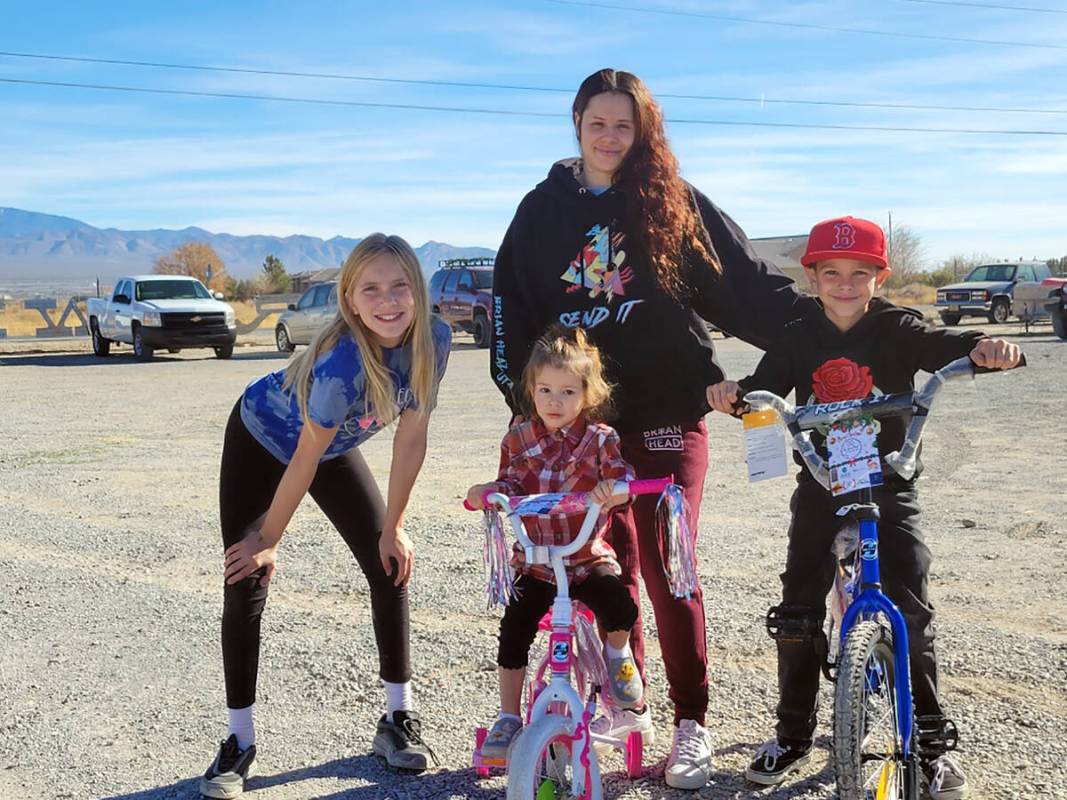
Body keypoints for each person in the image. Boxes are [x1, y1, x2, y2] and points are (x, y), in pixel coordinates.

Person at [490, 67, 813, 789]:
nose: (610, 136)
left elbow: (744, 286)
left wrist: (823, 329)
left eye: (623, 125)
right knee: (604, 568)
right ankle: (617, 708)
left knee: (669, 568)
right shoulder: (540, 212)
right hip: (585, 430)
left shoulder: (671, 202)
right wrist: (527, 413)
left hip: (668, 417)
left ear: (642, 133)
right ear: (576, 123)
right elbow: (512, 316)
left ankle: (690, 725)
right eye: (598, 122)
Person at [706, 216, 1021, 800]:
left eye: (859, 273)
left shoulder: (895, 326)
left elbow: (940, 345)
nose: (845, 284)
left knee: (911, 609)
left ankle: (930, 744)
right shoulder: (799, 332)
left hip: (888, 482)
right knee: (798, 609)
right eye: (831, 273)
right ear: (814, 277)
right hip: (824, 485)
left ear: (880, 275)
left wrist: (984, 349)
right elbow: (766, 382)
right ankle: (793, 735)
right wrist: (733, 393)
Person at [199, 234, 452, 799]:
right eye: (371, 289)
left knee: (389, 562)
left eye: (399, 286)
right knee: (246, 573)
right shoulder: (341, 363)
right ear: (350, 300)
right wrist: (266, 538)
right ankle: (238, 742)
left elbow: (412, 440)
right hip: (262, 438)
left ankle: (396, 719)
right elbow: (303, 456)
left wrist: (395, 525)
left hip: (331, 448)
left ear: (418, 290)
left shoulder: (433, 339)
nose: (388, 301)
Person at [467, 327, 644, 762]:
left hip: (583, 557)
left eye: (567, 391)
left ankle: (618, 656)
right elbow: (507, 483)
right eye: (545, 390)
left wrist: (615, 488)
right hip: (537, 561)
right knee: (514, 628)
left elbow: (623, 479)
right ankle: (509, 717)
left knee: (618, 603)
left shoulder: (601, 439)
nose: (554, 401)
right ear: (531, 390)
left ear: (587, 394)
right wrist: (488, 491)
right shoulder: (518, 438)